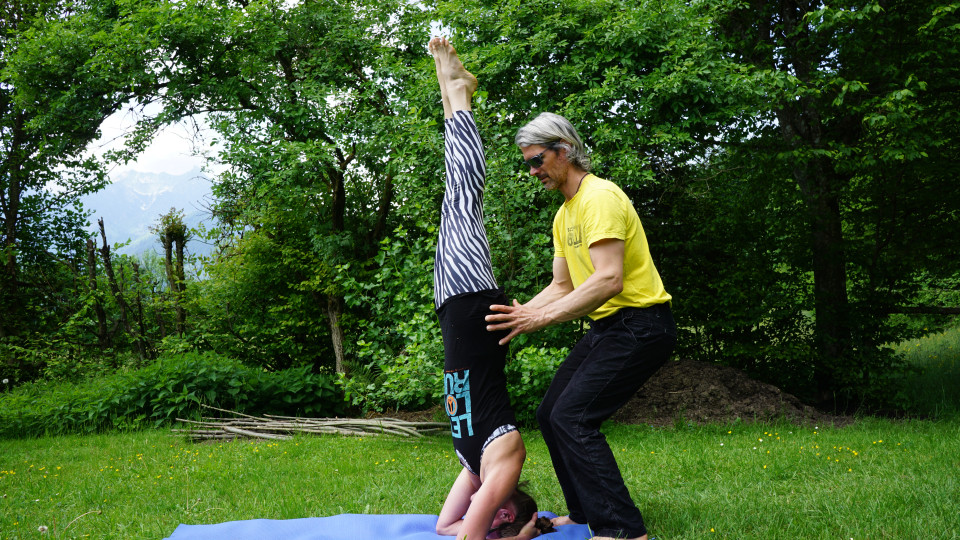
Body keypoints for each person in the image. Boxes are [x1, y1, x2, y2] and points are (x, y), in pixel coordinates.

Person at [484, 112, 677, 540]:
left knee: (574, 417)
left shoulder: (600, 198)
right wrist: (518, 317)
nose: (532, 172)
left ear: (564, 151)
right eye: (527, 164)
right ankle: (586, 513)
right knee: (551, 413)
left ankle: (623, 530)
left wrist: (541, 317)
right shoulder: (564, 215)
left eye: (537, 161)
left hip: (641, 324)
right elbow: (561, 284)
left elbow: (609, 279)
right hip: (611, 327)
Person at [428, 36, 553, 540]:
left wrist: (532, 526)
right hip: (474, 310)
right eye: (505, 526)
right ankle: (457, 91)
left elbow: (444, 528)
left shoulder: (473, 463)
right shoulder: (502, 462)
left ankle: (453, 90)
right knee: (463, 196)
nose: (494, 526)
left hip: (455, 311)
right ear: (506, 510)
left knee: (454, 198)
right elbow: (469, 536)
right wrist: (528, 530)